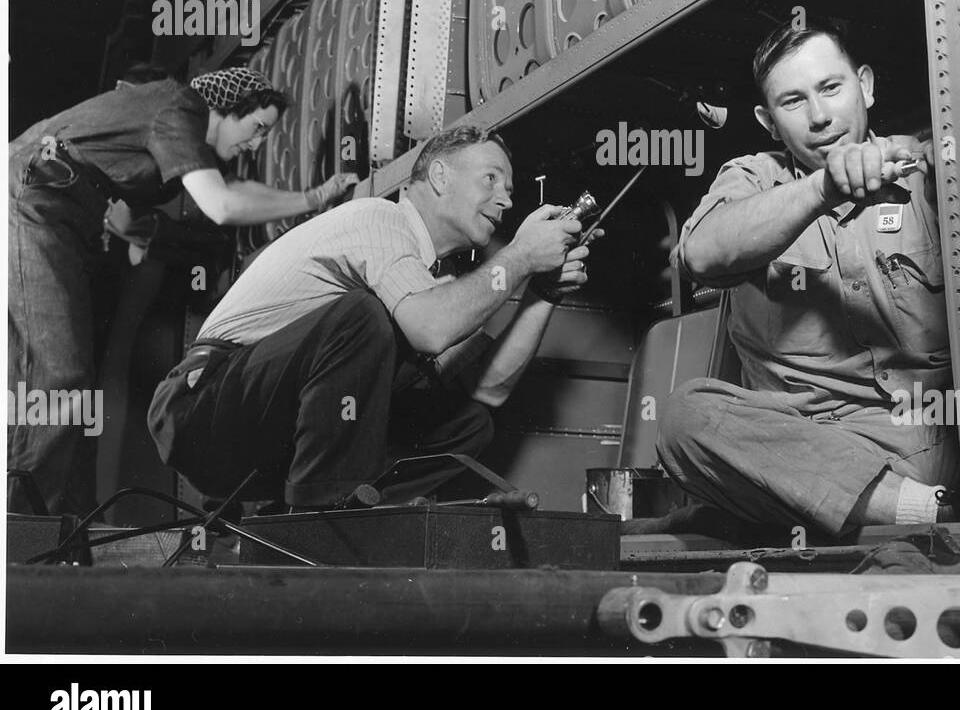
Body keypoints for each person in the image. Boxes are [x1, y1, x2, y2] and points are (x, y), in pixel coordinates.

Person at [147, 125, 593, 512]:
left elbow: (490, 389)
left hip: (266, 433)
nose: (505, 200)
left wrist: (541, 291)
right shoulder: (381, 220)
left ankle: (321, 512)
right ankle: (326, 519)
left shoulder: (427, 282)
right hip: (200, 407)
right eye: (491, 180)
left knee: (468, 422)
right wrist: (519, 255)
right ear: (439, 175)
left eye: (510, 190)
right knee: (362, 316)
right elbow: (432, 329)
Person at [655, 22, 959, 541]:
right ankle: (918, 513)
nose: (819, 117)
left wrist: (941, 158)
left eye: (831, 88)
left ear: (864, 85)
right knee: (686, 417)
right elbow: (701, 255)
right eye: (792, 102)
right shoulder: (753, 179)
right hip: (790, 446)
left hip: (914, 444)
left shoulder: (923, 170)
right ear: (768, 122)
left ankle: (811, 509)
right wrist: (825, 186)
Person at [8, 67, 357, 515]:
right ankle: (22, 539)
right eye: (256, 129)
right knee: (57, 380)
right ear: (227, 107)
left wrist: (316, 195)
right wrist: (314, 201)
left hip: (56, 214)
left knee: (72, 387)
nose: (255, 145)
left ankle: (66, 542)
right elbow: (222, 203)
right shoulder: (180, 106)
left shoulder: (171, 128)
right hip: (33, 202)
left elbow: (224, 193)